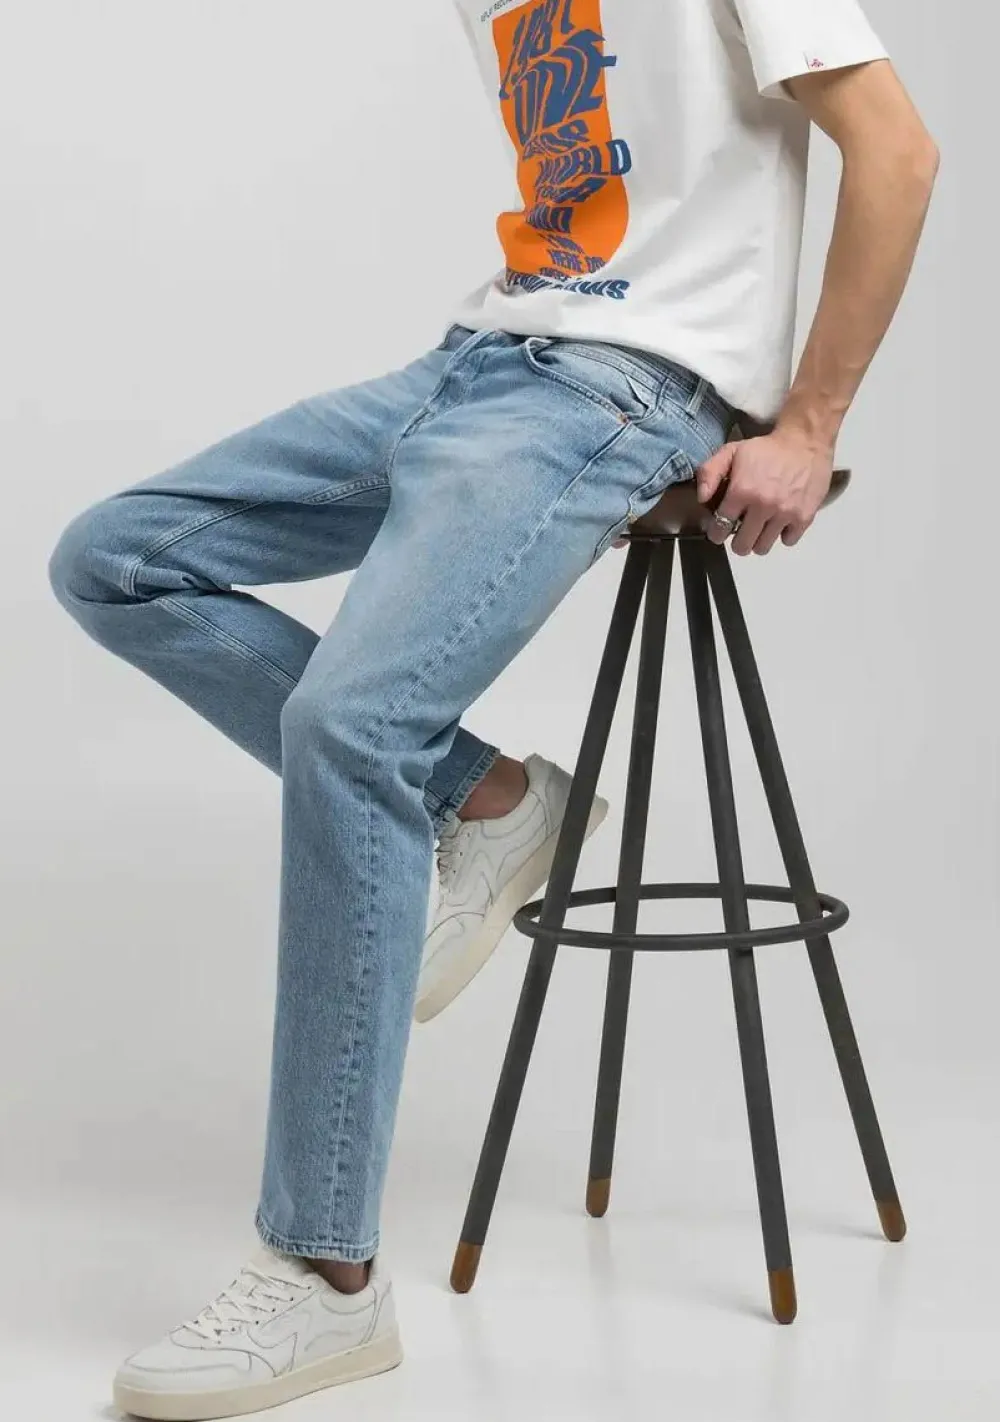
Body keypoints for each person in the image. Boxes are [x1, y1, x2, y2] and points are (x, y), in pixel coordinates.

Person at [49, 1, 937, 1416]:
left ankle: (323, 1274)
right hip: (480, 356)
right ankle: (492, 799)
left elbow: (895, 149)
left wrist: (808, 423)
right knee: (114, 558)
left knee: (350, 725)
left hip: (631, 389)